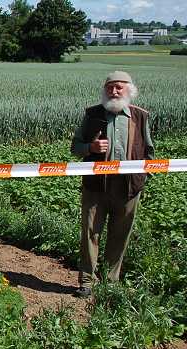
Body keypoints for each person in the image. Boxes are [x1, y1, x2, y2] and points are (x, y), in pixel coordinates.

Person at [70, 71, 154, 298]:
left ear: (129, 89)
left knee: (120, 234)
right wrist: (90, 148)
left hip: (127, 188)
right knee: (90, 232)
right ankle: (86, 282)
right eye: (110, 87)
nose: (114, 91)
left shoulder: (140, 116)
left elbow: (148, 150)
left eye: (119, 87)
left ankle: (110, 282)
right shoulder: (92, 115)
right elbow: (75, 147)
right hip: (96, 186)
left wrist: (143, 177)